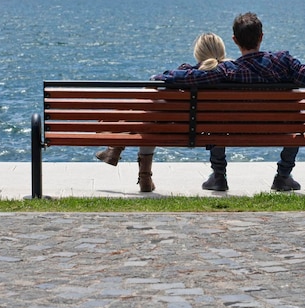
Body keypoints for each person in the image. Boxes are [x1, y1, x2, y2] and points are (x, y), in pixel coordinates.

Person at [152, 12, 305, 192]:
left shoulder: (227, 70)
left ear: (234, 40)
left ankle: (218, 176)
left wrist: (163, 75)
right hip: (279, 130)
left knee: (216, 118)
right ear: (261, 37)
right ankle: (283, 176)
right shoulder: (283, 62)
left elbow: (190, 78)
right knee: (295, 121)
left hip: (233, 130)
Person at [95, 32, 228, 192]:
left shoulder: (186, 74)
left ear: (198, 53)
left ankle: (123, 154)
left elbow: (156, 79)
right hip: (213, 131)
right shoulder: (230, 74)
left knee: (152, 109)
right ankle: (118, 149)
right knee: (153, 110)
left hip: (175, 128)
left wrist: (160, 78)